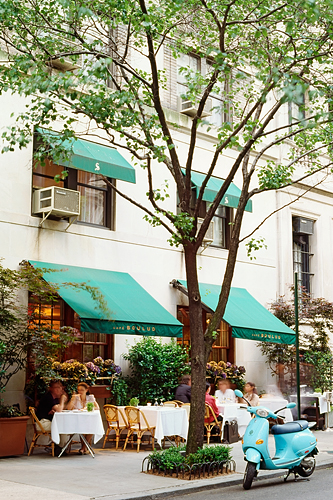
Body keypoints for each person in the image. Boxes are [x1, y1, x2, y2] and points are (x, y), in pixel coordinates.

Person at [36, 380, 68, 456]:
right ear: (53, 389)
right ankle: (60, 448)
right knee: (62, 426)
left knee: (63, 425)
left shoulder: (55, 399)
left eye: (61, 387)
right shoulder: (48, 398)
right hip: (42, 422)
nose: (61, 390)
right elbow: (60, 409)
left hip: (49, 421)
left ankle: (59, 447)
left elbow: (62, 409)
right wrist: (62, 400)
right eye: (58, 387)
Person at [67, 382, 99, 454]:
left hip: (88, 419)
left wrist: (89, 408)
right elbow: (69, 408)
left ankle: (83, 448)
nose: (80, 392)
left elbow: (97, 408)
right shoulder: (76, 398)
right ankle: (83, 448)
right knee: (82, 428)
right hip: (78, 420)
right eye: (78, 390)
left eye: (82, 390)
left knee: (92, 427)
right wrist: (72, 399)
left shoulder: (90, 397)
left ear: (86, 390)